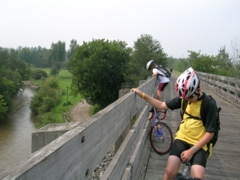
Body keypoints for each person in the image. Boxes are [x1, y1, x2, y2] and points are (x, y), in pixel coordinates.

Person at [131, 67, 217, 180]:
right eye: (185, 98)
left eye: (190, 97)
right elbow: (161, 105)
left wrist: (192, 151)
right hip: (182, 137)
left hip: (199, 144)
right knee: (169, 172)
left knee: (197, 178)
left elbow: (210, 133)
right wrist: (142, 95)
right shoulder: (184, 98)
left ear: (198, 90)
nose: (188, 100)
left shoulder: (209, 104)